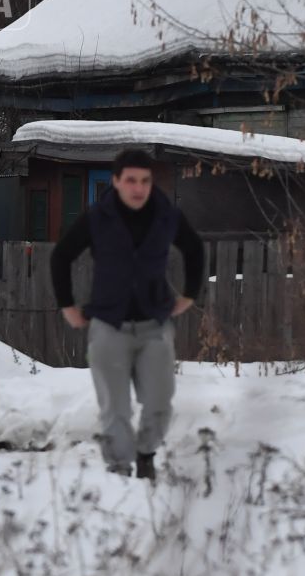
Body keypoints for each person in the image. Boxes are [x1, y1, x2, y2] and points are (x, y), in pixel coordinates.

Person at [50, 148, 205, 481]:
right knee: (115, 409)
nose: (138, 188)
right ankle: (119, 472)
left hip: (155, 326)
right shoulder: (98, 217)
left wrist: (190, 294)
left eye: (145, 181)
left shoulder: (166, 216)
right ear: (117, 181)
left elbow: (194, 248)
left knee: (160, 402)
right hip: (109, 326)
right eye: (131, 180)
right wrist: (69, 307)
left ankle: (146, 454)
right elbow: (61, 256)